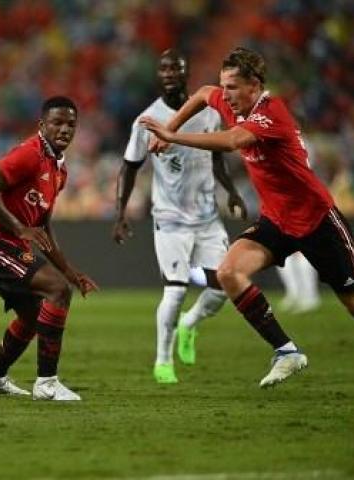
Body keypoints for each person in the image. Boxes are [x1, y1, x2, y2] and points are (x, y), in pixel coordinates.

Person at [140, 46, 354, 388]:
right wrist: (170, 124)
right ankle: (287, 352)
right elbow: (205, 94)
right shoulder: (228, 100)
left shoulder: (272, 112)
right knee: (229, 273)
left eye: (233, 87)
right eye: (225, 85)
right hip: (277, 222)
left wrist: (174, 136)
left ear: (255, 85)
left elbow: (235, 140)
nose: (226, 94)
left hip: (317, 221)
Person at [113, 49, 247, 384]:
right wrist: (120, 213)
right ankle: (163, 361)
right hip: (170, 220)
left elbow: (217, 155)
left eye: (176, 69)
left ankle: (190, 324)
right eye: (164, 70)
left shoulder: (207, 112)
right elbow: (128, 168)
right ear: (159, 76)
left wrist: (230, 190)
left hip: (206, 218)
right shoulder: (147, 120)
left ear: (186, 74)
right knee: (175, 290)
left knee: (225, 287)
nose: (170, 74)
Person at [0, 96, 98, 401]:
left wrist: (70, 271)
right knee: (56, 291)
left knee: (32, 314)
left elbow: (44, 227)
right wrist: (18, 228)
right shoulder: (29, 154)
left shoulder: (58, 171)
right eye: (58, 122)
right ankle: (47, 384)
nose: (65, 129)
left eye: (71, 124)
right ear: (42, 125)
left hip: (9, 243)